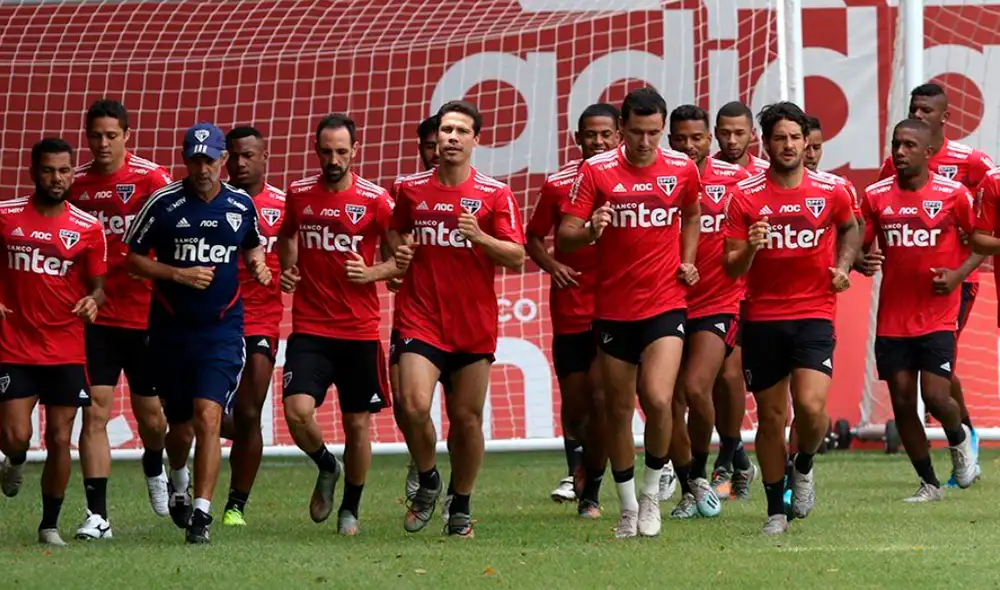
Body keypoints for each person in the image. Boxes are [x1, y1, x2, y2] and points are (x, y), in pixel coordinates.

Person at [558, 87, 701, 539]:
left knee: (659, 399)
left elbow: (692, 214)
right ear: (622, 130)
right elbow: (565, 234)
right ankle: (625, 507)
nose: (646, 142)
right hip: (614, 310)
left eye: (654, 133)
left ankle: (653, 493)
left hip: (665, 302)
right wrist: (591, 230)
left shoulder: (681, 168)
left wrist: (688, 258)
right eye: (637, 132)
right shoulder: (597, 171)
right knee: (617, 410)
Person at [125, 122, 271, 544]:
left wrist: (259, 265)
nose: (203, 167)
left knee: (210, 416)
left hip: (222, 332)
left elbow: (253, 243)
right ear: (186, 160)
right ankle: (178, 477)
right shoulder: (163, 203)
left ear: (223, 160)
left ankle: (203, 515)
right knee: (181, 426)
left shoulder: (241, 204)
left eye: (210, 160)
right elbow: (133, 260)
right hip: (170, 331)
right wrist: (177, 273)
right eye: (195, 159)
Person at [389, 100, 525, 538]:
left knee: (466, 421)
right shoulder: (409, 188)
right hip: (420, 317)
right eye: (446, 130)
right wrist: (398, 258)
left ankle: (461, 504)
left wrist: (480, 236)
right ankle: (428, 479)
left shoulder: (494, 193)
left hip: (472, 324)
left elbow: (518, 255)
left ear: (475, 140)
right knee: (411, 406)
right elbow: (396, 231)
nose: (450, 137)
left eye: (460, 131)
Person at [723, 102, 860, 536]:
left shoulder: (832, 189)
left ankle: (803, 464)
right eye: (779, 138)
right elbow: (730, 267)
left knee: (812, 408)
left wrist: (843, 265)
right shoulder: (744, 196)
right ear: (766, 144)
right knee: (771, 416)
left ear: (807, 143)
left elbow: (851, 228)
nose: (788, 145)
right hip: (762, 317)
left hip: (814, 313)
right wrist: (750, 247)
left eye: (795, 138)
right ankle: (775, 510)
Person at [278, 114, 399, 536]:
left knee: (358, 425)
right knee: (297, 412)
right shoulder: (298, 194)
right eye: (327, 151)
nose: (334, 159)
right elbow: (286, 236)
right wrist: (288, 270)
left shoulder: (376, 200)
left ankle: (350, 509)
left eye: (341, 152)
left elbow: (401, 261)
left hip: (359, 331)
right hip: (310, 327)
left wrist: (374, 273)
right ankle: (327, 465)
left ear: (355, 151)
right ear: (316, 150)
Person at [879, 84, 994, 481]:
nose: (921, 114)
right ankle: (963, 439)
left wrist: (973, 242)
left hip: (958, 280)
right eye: (915, 108)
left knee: (939, 374)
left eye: (927, 110)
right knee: (926, 380)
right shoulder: (896, 166)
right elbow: (877, 210)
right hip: (902, 294)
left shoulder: (972, 163)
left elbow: (989, 205)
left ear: (944, 117)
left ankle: (965, 442)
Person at [69, 99, 173, 539]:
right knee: (95, 413)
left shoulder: (151, 179)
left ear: (127, 135)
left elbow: (174, 231)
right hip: (97, 317)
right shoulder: (75, 186)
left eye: (112, 135)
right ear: (87, 138)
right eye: (96, 136)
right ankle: (98, 516)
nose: (103, 143)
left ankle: (155, 461)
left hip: (146, 314)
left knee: (152, 417)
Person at [862, 119, 979, 501]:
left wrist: (958, 273)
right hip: (893, 316)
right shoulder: (876, 196)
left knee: (936, 396)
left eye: (909, 145)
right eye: (896, 144)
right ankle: (929, 482)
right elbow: (857, 242)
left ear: (929, 152)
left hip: (938, 312)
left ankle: (961, 444)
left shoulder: (955, 194)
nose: (900, 152)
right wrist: (859, 259)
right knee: (900, 398)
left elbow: (981, 242)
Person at [0, 138, 108, 546]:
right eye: (49, 170)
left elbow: (99, 285)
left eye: (64, 170)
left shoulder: (87, 227)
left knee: (61, 437)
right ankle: (13, 458)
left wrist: (92, 301)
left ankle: (49, 525)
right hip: (14, 343)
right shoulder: (6, 216)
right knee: (14, 435)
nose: (57, 178)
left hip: (65, 345)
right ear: (33, 172)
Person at [526, 103, 620, 515]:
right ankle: (577, 465)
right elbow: (532, 237)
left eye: (605, 135)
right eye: (590, 135)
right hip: (570, 307)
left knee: (603, 400)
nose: (597, 142)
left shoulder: (633, 179)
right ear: (577, 138)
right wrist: (553, 264)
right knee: (578, 407)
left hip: (618, 307)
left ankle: (593, 490)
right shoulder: (558, 184)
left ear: (619, 136)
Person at [666, 104, 754, 519]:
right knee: (666, 399)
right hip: (664, 301)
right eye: (680, 139)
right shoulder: (657, 177)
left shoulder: (740, 180)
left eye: (696, 138)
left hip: (721, 299)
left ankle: (723, 458)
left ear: (709, 140)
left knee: (705, 386)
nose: (689, 146)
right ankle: (689, 480)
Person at [219, 127, 286, 527]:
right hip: (213, 318)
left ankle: (236, 505)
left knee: (247, 412)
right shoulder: (213, 202)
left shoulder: (283, 203)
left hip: (260, 320)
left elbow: (298, 246)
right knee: (192, 410)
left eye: (248, 156)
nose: (240, 163)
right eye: (234, 156)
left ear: (264, 157)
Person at [715, 101, 770, 174]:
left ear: (752, 134)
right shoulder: (701, 171)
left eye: (739, 133)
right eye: (725, 133)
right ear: (716, 133)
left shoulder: (766, 172)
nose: (732, 141)